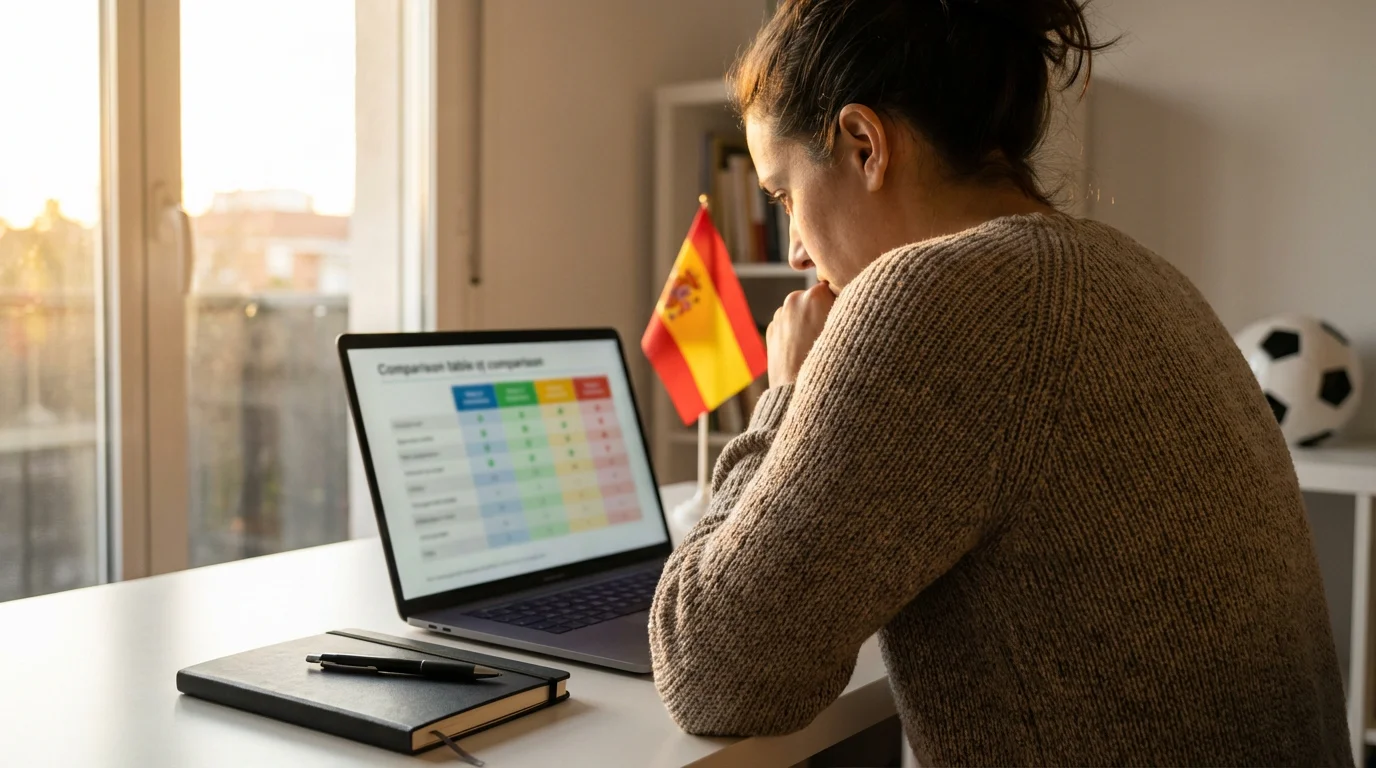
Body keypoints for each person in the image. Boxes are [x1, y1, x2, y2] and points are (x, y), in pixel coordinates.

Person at [647, 0, 1353, 764]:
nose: (792, 252)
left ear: (863, 145)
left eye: (785, 195)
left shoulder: (929, 298)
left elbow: (710, 670)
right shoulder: (1148, 275)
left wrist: (785, 397)